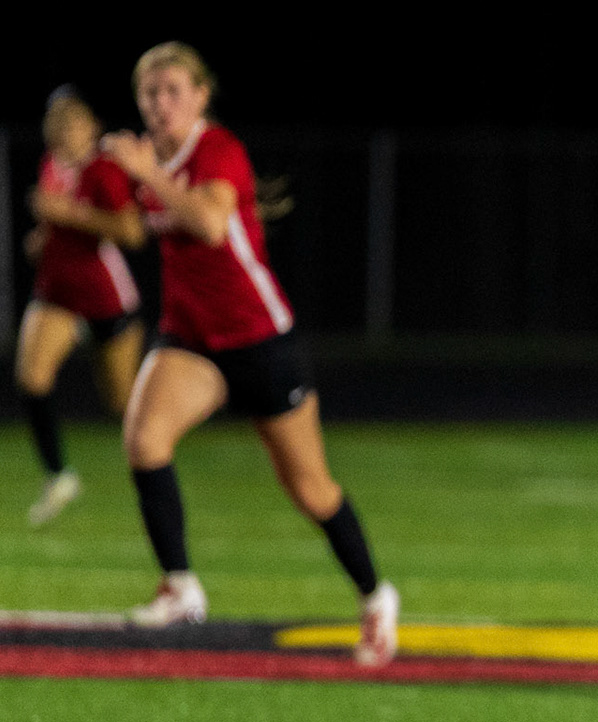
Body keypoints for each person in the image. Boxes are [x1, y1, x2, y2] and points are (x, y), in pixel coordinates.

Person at [101, 42, 398, 666]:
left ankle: (376, 595)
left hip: (259, 338)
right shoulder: (147, 160)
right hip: (191, 338)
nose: (160, 104)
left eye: (173, 90)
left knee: (311, 489)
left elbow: (211, 226)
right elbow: (130, 230)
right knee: (144, 440)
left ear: (201, 95)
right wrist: (85, 193)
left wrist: (147, 174)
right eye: (150, 93)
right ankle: (181, 586)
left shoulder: (216, 149)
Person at [17, 87, 145, 526]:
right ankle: (58, 476)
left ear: (92, 127)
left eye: (73, 122)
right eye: (57, 122)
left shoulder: (104, 170)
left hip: (106, 296)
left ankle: (152, 482)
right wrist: (41, 238)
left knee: (124, 405)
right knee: (32, 378)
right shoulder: (51, 164)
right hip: (56, 293)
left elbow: (132, 232)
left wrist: (69, 214)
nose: (64, 131)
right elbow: (53, 222)